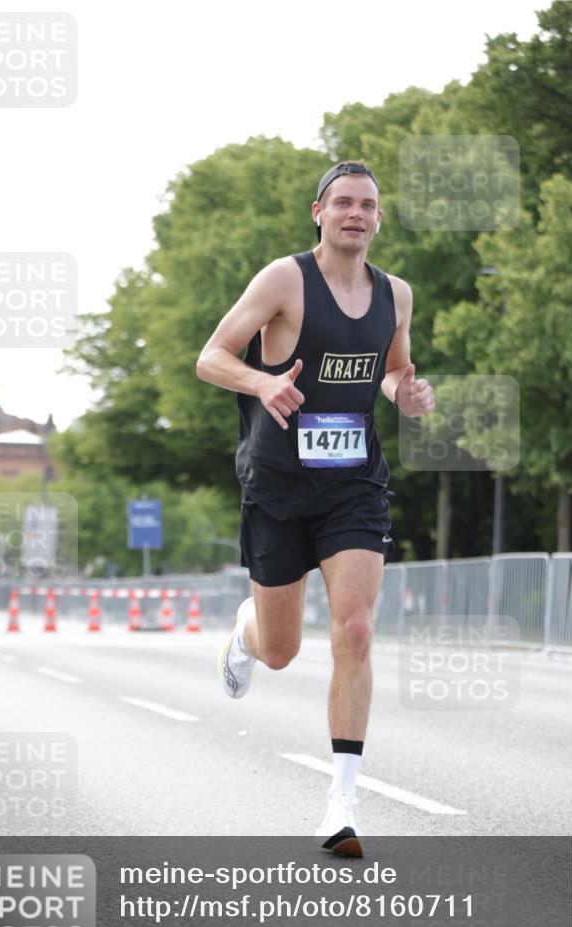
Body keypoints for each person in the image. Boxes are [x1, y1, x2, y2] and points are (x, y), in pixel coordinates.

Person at [196, 161, 434, 857]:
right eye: (343, 204)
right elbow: (211, 356)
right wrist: (259, 381)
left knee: (354, 630)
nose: (355, 214)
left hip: (352, 485)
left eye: (368, 205)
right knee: (280, 651)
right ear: (318, 213)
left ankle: (340, 803)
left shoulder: (397, 294)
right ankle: (246, 632)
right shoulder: (283, 281)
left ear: (379, 219)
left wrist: (405, 396)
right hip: (277, 485)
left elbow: (393, 368)